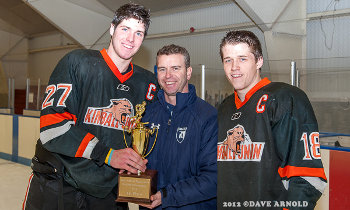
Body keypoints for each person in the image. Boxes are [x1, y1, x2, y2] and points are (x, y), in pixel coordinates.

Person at [23, 3, 158, 210]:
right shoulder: (77, 63)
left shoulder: (146, 82)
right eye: (125, 29)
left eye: (139, 33)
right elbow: (52, 129)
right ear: (112, 29)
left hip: (108, 193)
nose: (131, 39)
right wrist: (109, 155)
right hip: (60, 184)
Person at [217, 30, 327, 210]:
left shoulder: (285, 99)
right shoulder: (225, 108)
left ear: (259, 61)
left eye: (243, 59)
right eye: (228, 60)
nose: (234, 67)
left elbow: (309, 178)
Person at [140, 44, 217, 209]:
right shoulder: (147, 114)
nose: (168, 76)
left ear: (188, 72)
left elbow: (213, 179)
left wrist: (167, 196)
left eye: (175, 68)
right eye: (162, 69)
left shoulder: (208, 117)